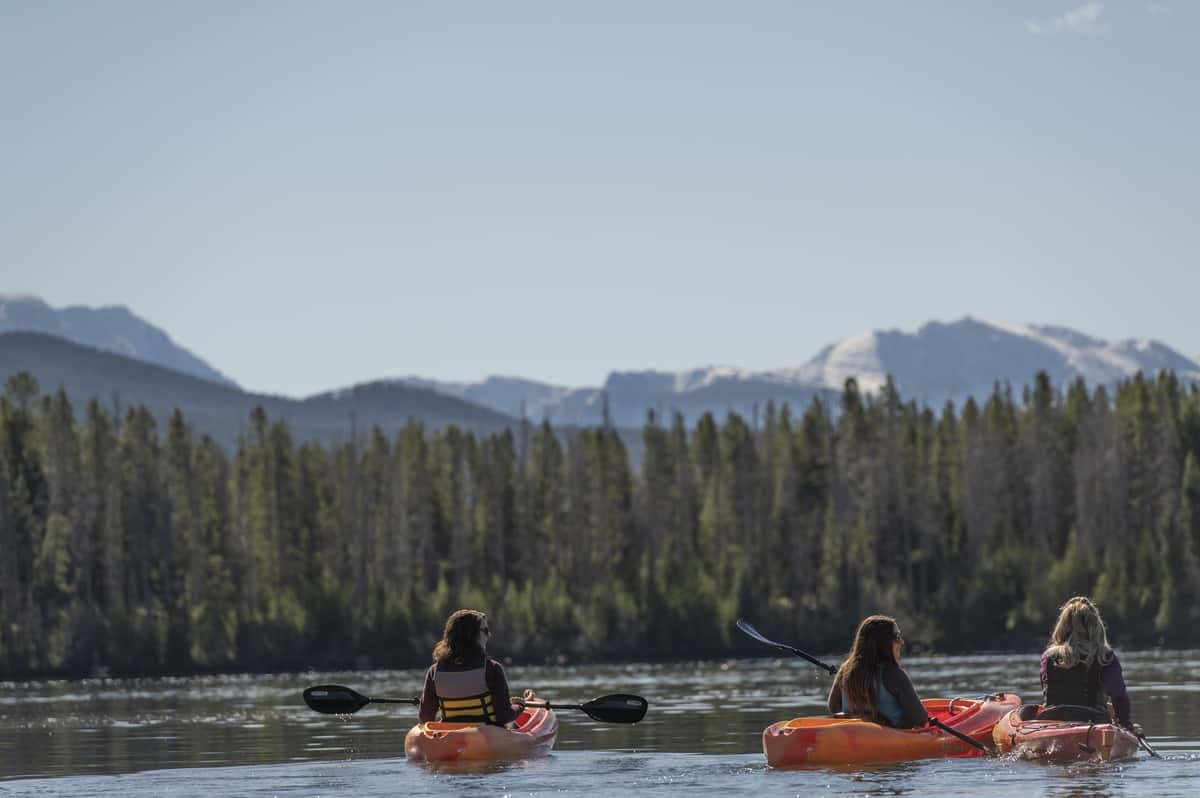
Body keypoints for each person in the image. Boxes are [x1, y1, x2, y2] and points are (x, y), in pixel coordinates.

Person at [418, 609, 533, 726]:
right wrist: (519, 706)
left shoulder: (435, 671)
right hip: (487, 736)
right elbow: (504, 716)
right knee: (513, 725)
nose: (489, 635)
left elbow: (425, 717)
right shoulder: (492, 669)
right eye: (485, 630)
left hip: (450, 737)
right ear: (471, 634)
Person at [1040, 596, 1134, 730]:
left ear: (1062, 626)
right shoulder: (1106, 657)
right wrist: (1125, 724)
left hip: (1053, 724)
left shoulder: (1048, 657)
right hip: (1094, 723)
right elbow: (1119, 696)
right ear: (1096, 626)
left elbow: (1049, 693)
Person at [826, 614, 930, 729]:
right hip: (890, 741)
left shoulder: (845, 670)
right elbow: (920, 719)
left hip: (851, 739)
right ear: (883, 642)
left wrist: (857, 714)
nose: (902, 642)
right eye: (897, 636)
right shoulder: (894, 674)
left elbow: (833, 707)